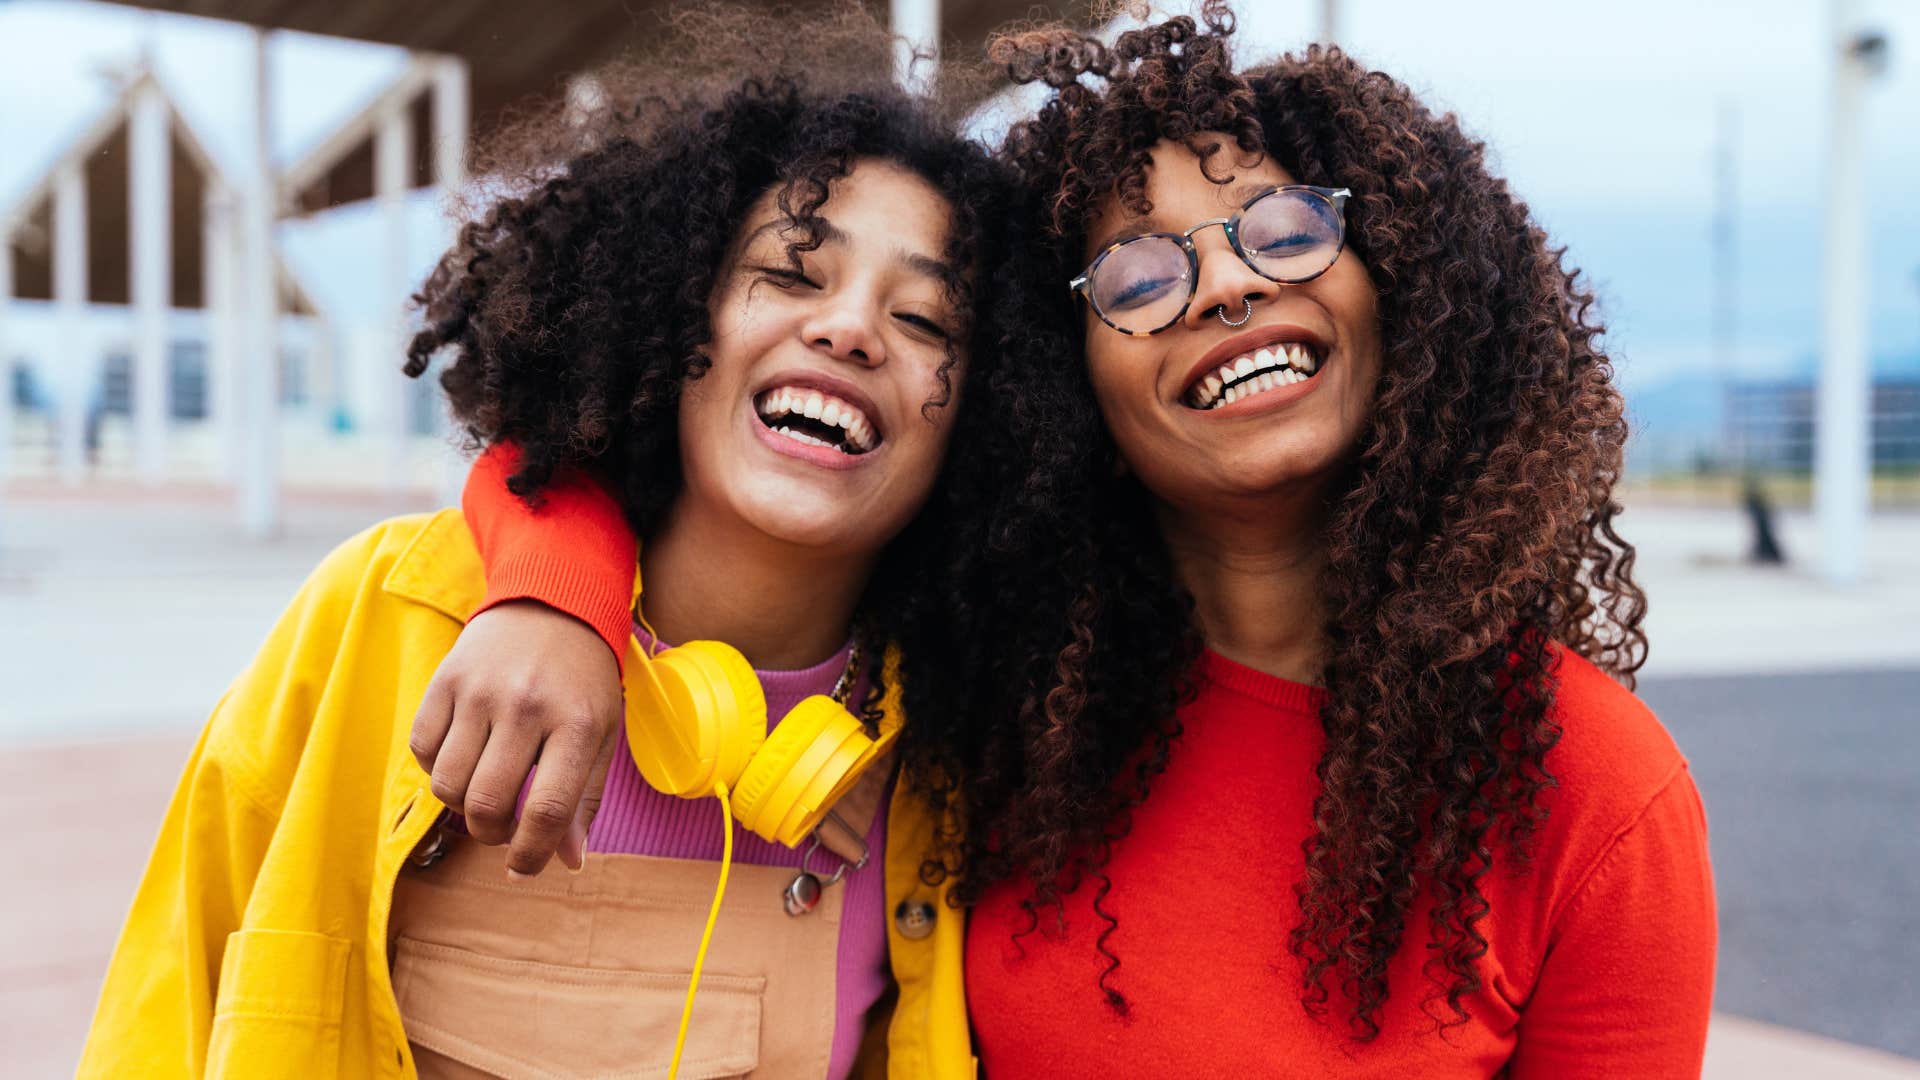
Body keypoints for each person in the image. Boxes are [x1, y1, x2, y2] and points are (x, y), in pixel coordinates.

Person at [430, 5, 1717, 1078]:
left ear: (1410, 282)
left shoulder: (1593, 792)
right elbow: (598, 464)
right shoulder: (997, 695)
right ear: (1058, 383)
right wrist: (557, 592)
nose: (1224, 285)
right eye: (1140, 276)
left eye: (1285, 230)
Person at [77, 9, 1046, 1077]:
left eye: (926, 322)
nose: (852, 328)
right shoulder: (386, 617)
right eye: (793, 271)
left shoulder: (951, 759)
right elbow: (164, 1012)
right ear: (672, 316)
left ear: (994, 415)